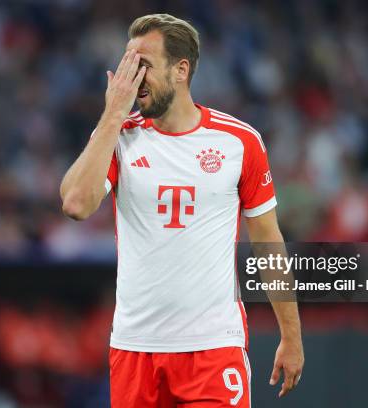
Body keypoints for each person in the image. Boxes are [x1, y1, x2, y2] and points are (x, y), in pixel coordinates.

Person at [60, 13, 304, 407]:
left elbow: (268, 244)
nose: (131, 79)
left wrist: (291, 337)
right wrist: (111, 115)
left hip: (212, 349)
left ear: (180, 70)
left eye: (143, 65)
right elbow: (75, 204)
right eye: (127, 64)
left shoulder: (238, 142)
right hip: (135, 348)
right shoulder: (117, 136)